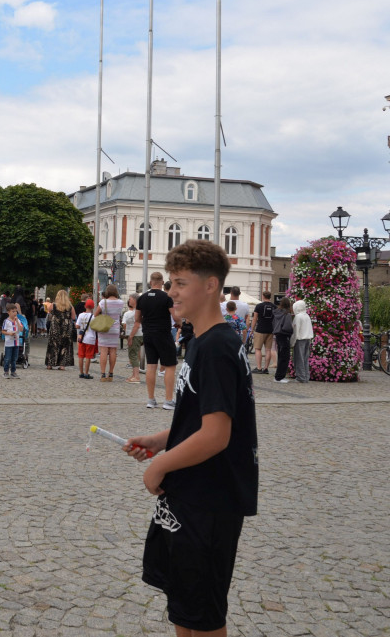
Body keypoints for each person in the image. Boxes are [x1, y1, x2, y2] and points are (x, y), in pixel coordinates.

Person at [124, 239, 258, 637]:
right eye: (170, 283)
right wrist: (162, 440)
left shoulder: (217, 346)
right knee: (187, 611)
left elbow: (217, 435)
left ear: (211, 285)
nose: (171, 293)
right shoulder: (201, 341)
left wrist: (159, 467)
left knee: (200, 618)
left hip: (209, 500)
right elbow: (201, 420)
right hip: (195, 496)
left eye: (180, 283)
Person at [137, 271, 178, 409]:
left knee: (151, 366)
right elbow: (175, 316)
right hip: (163, 334)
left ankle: (151, 399)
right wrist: (181, 324)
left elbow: (138, 319)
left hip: (148, 334)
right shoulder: (166, 297)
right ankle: (168, 400)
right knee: (170, 366)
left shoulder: (141, 298)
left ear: (150, 282)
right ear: (161, 282)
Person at [95, 285, 124, 382]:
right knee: (113, 351)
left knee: (103, 351)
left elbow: (95, 314)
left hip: (104, 328)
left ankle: (103, 374)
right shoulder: (121, 302)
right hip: (115, 329)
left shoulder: (103, 302)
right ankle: (111, 373)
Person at [44, 289, 76, 370]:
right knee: (65, 345)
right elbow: (73, 317)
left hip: (56, 326)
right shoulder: (70, 306)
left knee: (53, 344)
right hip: (66, 326)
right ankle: (62, 365)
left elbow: (49, 312)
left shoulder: (53, 305)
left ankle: (50, 364)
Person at [250, 291, 277, 374]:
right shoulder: (274, 306)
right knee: (268, 349)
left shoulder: (259, 306)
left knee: (258, 349)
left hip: (260, 330)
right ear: (270, 297)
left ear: (263, 296)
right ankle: (266, 368)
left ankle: (259, 367)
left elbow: (255, 319)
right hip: (270, 330)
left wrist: (252, 329)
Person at [290, 300, 313, 383]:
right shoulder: (307, 316)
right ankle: (306, 376)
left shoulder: (298, 317)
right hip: (307, 338)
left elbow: (296, 330)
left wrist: (292, 342)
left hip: (300, 339)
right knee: (305, 358)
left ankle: (301, 377)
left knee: (299, 359)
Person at [272, 296, 294, 383]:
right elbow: (288, 327)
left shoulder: (276, 312)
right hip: (284, 335)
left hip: (278, 334)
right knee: (285, 356)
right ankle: (280, 377)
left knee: (280, 355)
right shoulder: (287, 314)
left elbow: (273, 323)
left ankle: (278, 375)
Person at [76, 299, 98, 379]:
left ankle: (81, 373)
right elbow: (96, 328)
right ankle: (86, 373)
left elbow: (77, 326)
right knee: (88, 357)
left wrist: (82, 326)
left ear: (85, 306)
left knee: (81, 356)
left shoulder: (81, 315)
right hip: (90, 338)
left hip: (81, 338)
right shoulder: (94, 317)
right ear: (93, 307)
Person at [125, 294, 143, 384]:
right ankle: (134, 374)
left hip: (136, 334)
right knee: (133, 354)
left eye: (130, 299)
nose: (129, 301)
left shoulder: (137, 311)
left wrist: (131, 336)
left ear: (135, 300)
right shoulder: (137, 310)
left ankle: (136, 376)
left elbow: (137, 324)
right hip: (136, 334)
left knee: (133, 355)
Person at [1, 303, 22, 379]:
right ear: (8, 312)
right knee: (8, 358)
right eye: (13, 311)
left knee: (14, 358)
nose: (15, 313)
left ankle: (13, 371)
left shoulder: (18, 320)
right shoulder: (6, 321)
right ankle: (6, 371)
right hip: (9, 343)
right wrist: (9, 333)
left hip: (16, 342)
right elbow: (3, 331)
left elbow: (21, 329)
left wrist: (17, 322)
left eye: (16, 311)